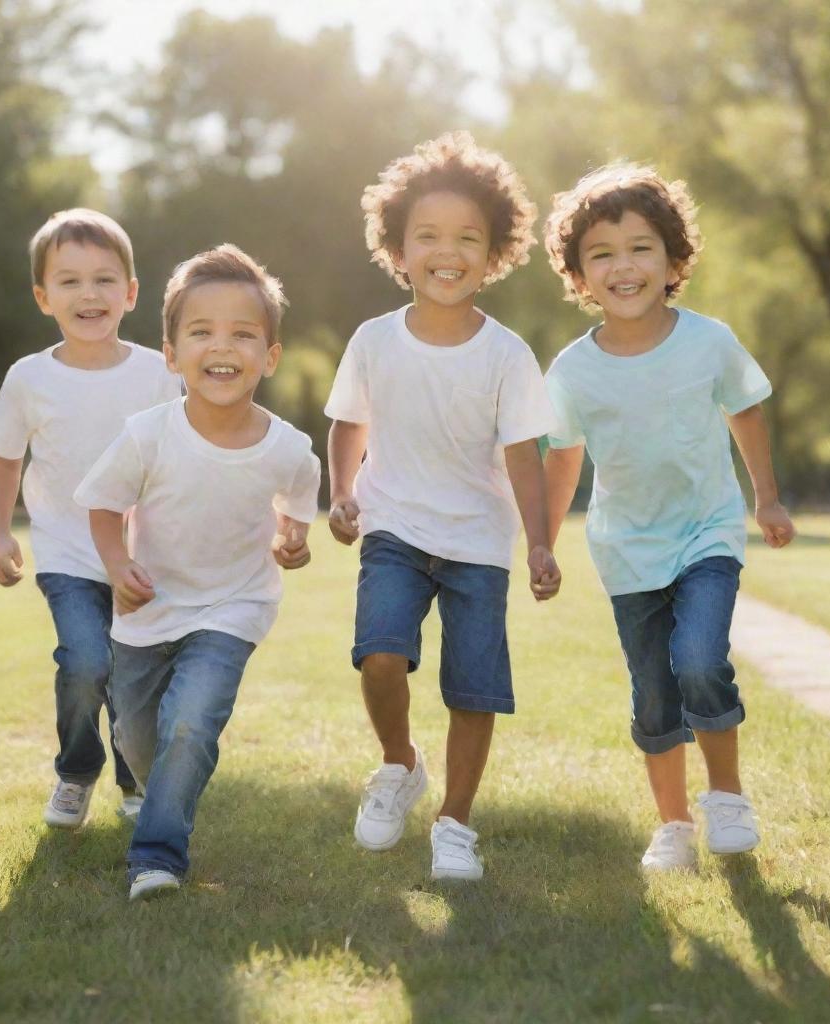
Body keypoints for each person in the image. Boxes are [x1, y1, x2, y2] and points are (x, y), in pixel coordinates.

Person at [542, 162, 796, 871]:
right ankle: (674, 826)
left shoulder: (708, 341)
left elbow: (744, 408)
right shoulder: (571, 371)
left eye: (640, 247)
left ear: (674, 259)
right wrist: (541, 542)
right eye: (602, 253)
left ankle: (728, 799)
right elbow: (562, 459)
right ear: (579, 276)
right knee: (654, 689)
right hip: (625, 548)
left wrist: (765, 497)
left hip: (707, 530)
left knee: (700, 660)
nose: (623, 266)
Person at [325, 131, 560, 882]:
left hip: (480, 542)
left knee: (474, 685)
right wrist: (342, 491)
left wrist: (542, 543)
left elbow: (525, 457)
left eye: (467, 238)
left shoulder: (507, 354)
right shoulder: (373, 340)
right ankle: (399, 763)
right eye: (427, 236)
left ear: (494, 254)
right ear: (397, 249)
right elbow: (348, 424)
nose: (446, 252)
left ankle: (455, 822)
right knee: (381, 654)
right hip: (393, 524)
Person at [74, 244, 320, 901]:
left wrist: (293, 543)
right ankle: (165, 791)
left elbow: (295, 516)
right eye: (202, 331)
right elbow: (102, 506)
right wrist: (119, 562)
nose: (223, 347)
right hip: (146, 615)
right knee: (136, 737)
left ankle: (156, 858)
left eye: (243, 334)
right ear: (171, 351)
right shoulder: (147, 435)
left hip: (232, 609)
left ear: (269, 356)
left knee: (191, 723)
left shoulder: (291, 450)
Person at [0, 208, 182, 828]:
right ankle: (75, 769)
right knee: (86, 663)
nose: (88, 294)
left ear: (131, 292)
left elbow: (187, 452)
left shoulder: (159, 371)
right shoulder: (30, 378)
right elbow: (5, 460)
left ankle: (135, 781)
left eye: (103, 279)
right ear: (44, 297)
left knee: (132, 677)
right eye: (68, 281)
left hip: (144, 554)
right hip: (67, 551)